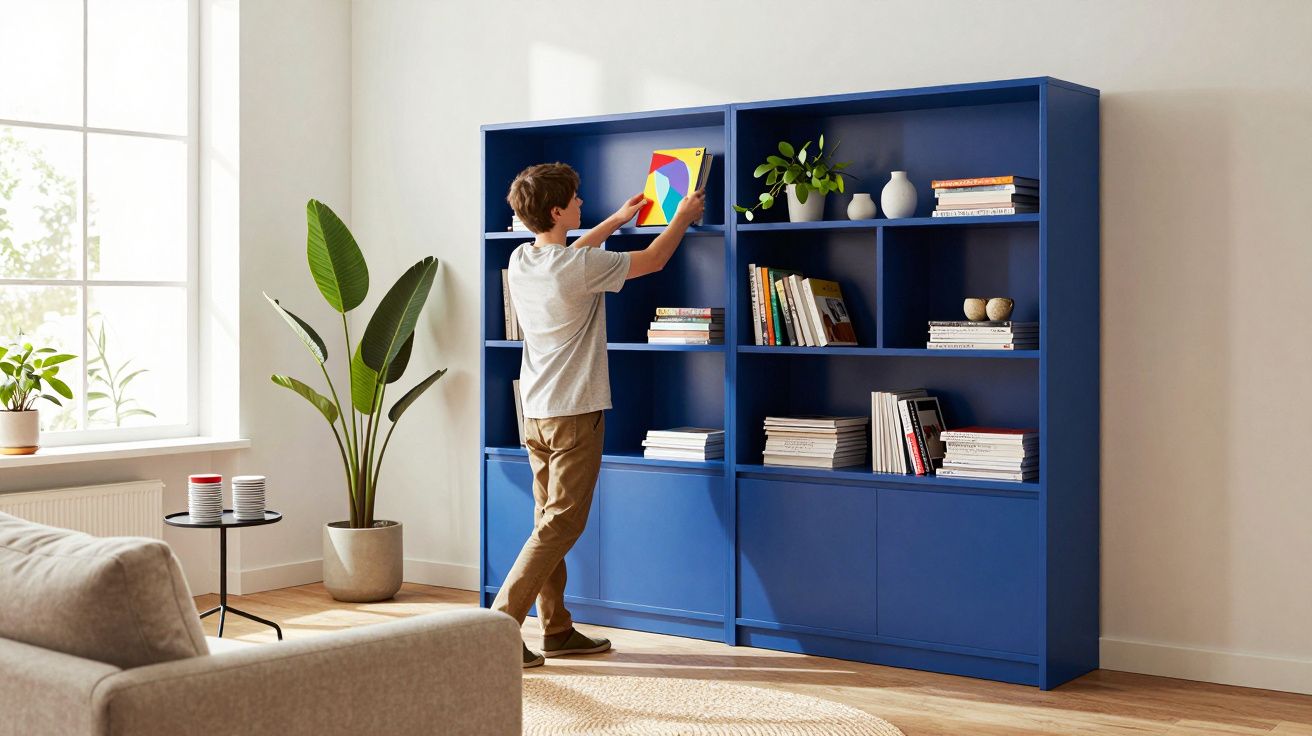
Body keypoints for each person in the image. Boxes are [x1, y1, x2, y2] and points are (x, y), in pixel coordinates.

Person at [498, 162, 705, 667]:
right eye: (576, 198)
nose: (582, 204)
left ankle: (556, 630)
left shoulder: (523, 258)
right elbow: (654, 259)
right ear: (556, 209)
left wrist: (615, 219)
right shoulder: (578, 269)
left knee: (547, 522)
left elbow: (570, 252)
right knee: (562, 525)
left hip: (536, 412)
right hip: (574, 414)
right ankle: (498, 627)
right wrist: (682, 214)